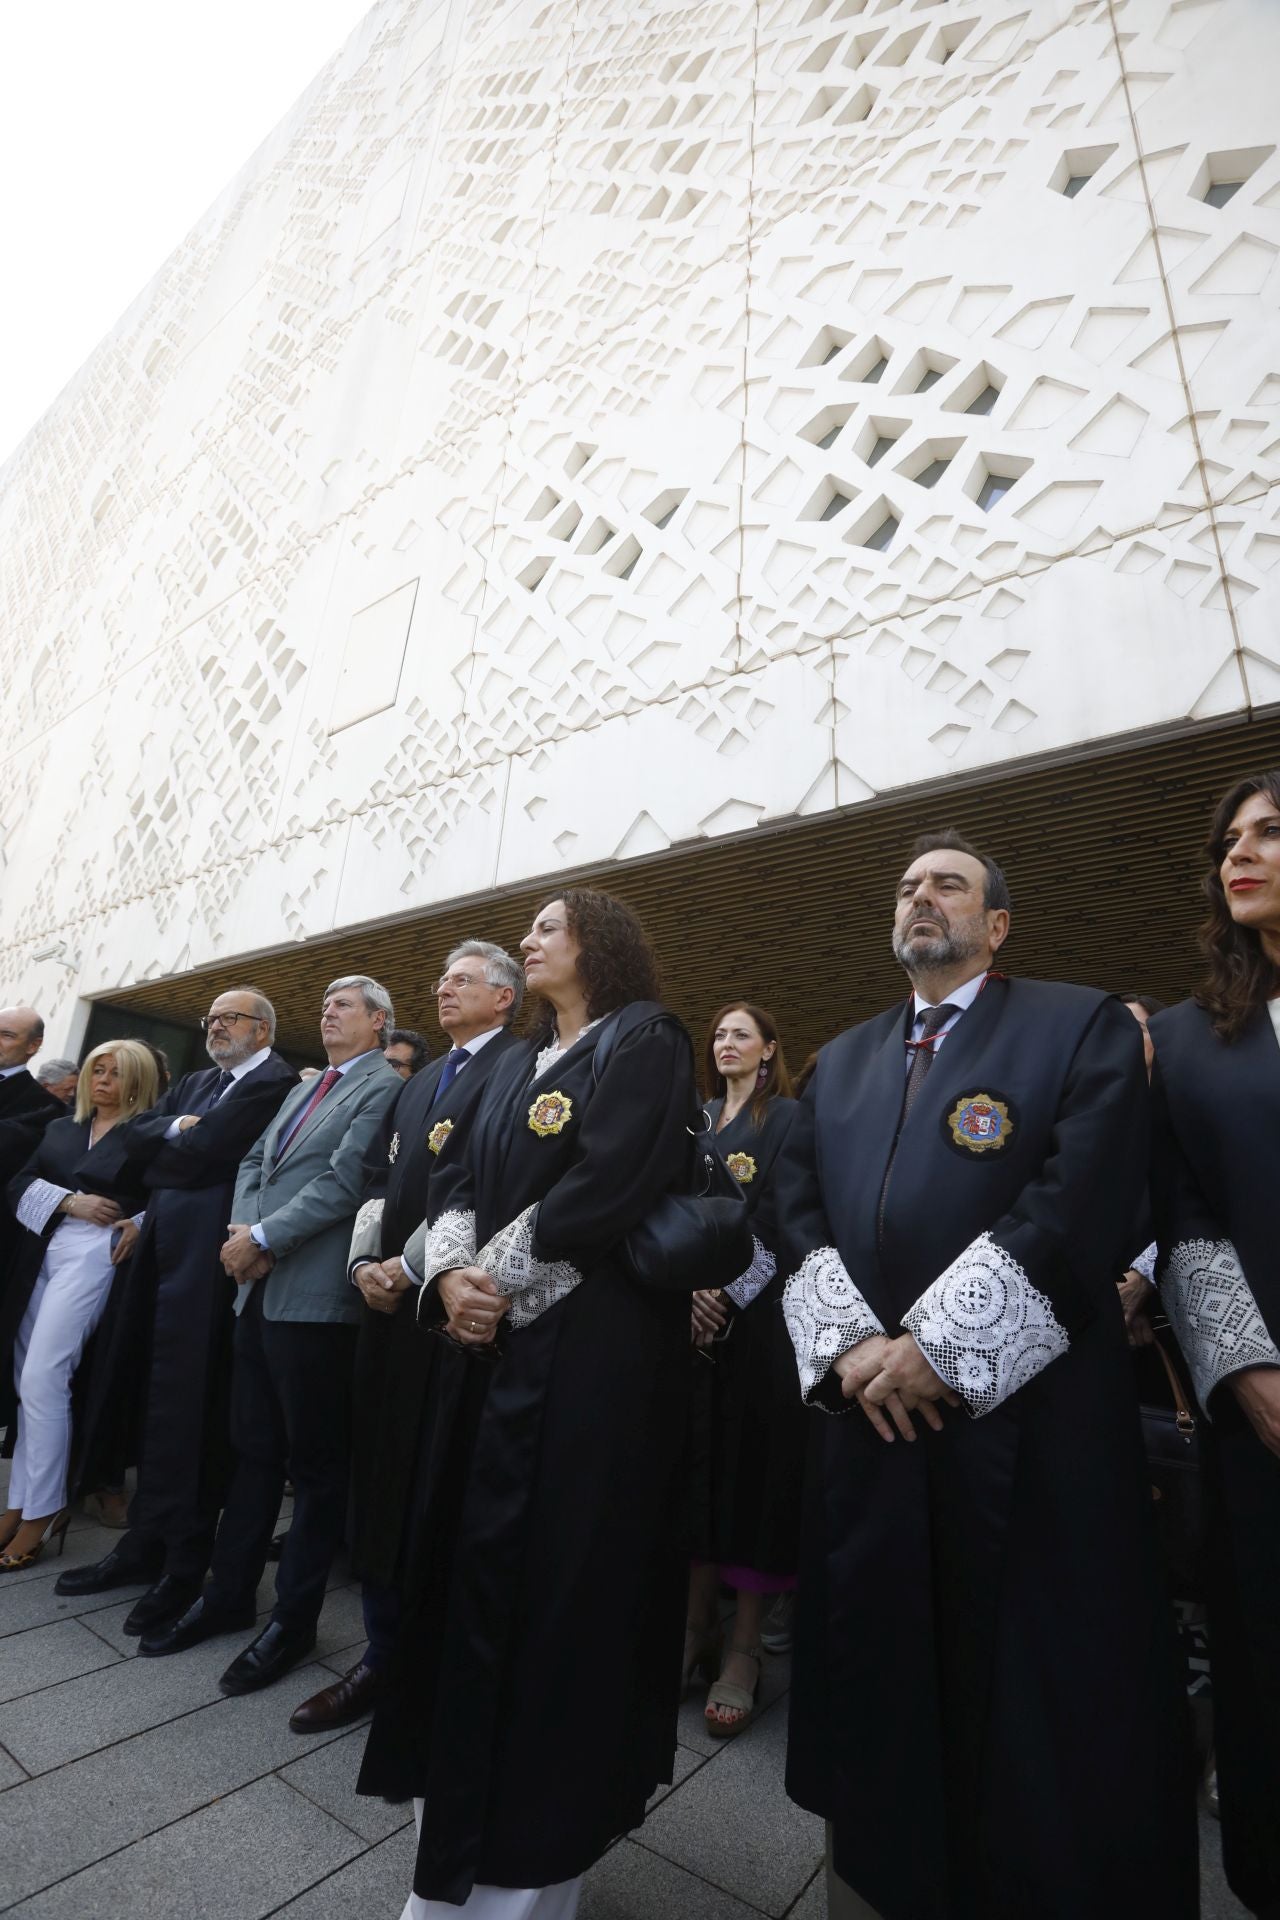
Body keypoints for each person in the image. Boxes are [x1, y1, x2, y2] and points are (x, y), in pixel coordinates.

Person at [776, 828, 1196, 1920]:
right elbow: (791, 1204)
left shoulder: (1076, 1024)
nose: (920, 897)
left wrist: (938, 1349)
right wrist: (859, 1351)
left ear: (995, 924)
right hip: (869, 1425)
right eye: (907, 886)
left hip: (1029, 1437)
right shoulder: (845, 1056)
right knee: (881, 1674)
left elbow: (1086, 1191)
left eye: (947, 885)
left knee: (1028, 1699)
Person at [358, 890, 699, 1920]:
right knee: (463, 1588)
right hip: (487, 1362)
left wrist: (488, 1294)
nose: (525, 941)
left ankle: (526, 1871)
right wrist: (450, 1282)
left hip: (586, 1368)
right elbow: (455, 1180)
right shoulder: (511, 1062)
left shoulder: (645, 1037)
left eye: (545, 929)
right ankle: (453, 1849)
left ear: (597, 942)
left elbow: (608, 1185)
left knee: (553, 1601)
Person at [289, 942, 524, 1735]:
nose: (444, 988)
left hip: (454, 1315)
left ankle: (439, 1668)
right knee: (383, 1481)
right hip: (388, 1314)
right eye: (442, 978)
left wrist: (408, 1266)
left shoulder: (523, 1068)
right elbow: (381, 1181)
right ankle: (382, 1656)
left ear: (506, 999)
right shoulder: (419, 1079)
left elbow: (486, 1189)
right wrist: (364, 1264)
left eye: (463, 980)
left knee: (443, 1490)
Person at [140, 975, 400, 1693]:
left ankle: (294, 1619)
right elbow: (256, 1159)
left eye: (342, 1005)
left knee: (313, 1472)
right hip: (255, 1292)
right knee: (251, 1452)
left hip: (312, 1301)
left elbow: (348, 1182)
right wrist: (243, 1229)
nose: (327, 1013)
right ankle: (227, 1597)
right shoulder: (302, 1085)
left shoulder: (381, 1086)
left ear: (378, 1022)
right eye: (323, 1005)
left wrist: (264, 1235)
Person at [56, 989, 298, 1636]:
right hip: (160, 1247)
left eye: (230, 1019)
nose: (217, 1027)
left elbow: (208, 1154)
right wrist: (172, 1131)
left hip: (207, 1261)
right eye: (210, 1019)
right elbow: (140, 1138)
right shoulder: (196, 1080)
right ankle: (142, 1543)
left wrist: (173, 1145)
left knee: (193, 1408)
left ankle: (182, 1562)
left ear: (263, 1027)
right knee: (146, 1391)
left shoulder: (272, 1082)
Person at [1150, 769, 1280, 1920]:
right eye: (1226, 838)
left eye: (1270, 831)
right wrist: (1240, 1361)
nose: (1239, 851)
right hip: (1264, 1415)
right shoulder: (1193, 1042)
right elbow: (1183, 1208)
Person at [685, 1001, 803, 1732]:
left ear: (768, 1051)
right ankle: (691, 1630)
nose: (726, 1043)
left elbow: (783, 1221)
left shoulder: (787, 1120)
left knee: (749, 1481)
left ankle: (743, 1649)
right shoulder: (692, 1120)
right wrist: (682, 1295)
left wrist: (722, 1294)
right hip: (683, 1328)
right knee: (692, 1477)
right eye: (718, 1033)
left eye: (741, 1034)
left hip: (757, 1332)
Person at [0, 1042, 159, 1569]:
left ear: (138, 1081)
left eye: (116, 1073)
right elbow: (19, 1182)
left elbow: (171, 1193)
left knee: (45, 1376)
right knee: (29, 1379)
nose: (103, 1080)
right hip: (42, 1245)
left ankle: (42, 1511)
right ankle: (22, 1501)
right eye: (98, 1070)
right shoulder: (61, 1129)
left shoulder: (147, 1135)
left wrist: (139, 1221)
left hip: (97, 1254)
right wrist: (69, 1200)